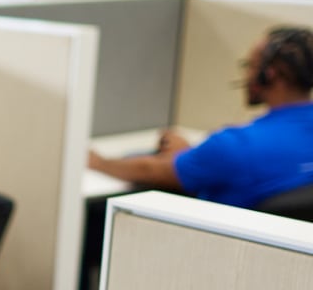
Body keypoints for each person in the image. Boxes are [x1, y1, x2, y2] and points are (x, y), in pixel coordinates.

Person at [87, 26, 313, 207]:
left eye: (249, 66)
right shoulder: (233, 148)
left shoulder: (233, 146)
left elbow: (151, 170)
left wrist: (99, 162)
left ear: (268, 74)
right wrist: (189, 155)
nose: (246, 74)